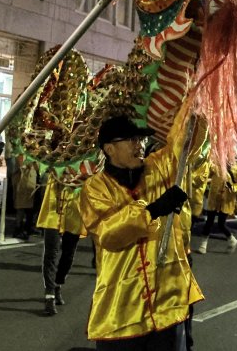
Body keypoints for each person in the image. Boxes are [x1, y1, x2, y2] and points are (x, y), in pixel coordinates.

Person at [80, 114, 203, 348]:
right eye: (131, 140)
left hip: (167, 303)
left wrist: (195, 104)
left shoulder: (159, 167)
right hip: (121, 310)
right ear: (110, 149)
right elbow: (109, 233)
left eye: (141, 140)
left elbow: (187, 141)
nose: (140, 145)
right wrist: (153, 210)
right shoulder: (95, 187)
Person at [36, 179, 84, 315]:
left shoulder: (85, 161)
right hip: (53, 210)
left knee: (68, 254)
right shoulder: (53, 161)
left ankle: (57, 283)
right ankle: (49, 294)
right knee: (51, 252)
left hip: (73, 211)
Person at [197, 158, 237, 254]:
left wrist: (233, 187)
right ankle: (203, 244)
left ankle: (232, 239)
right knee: (209, 221)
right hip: (214, 197)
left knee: (221, 223)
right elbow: (207, 171)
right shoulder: (217, 165)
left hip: (227, 199)